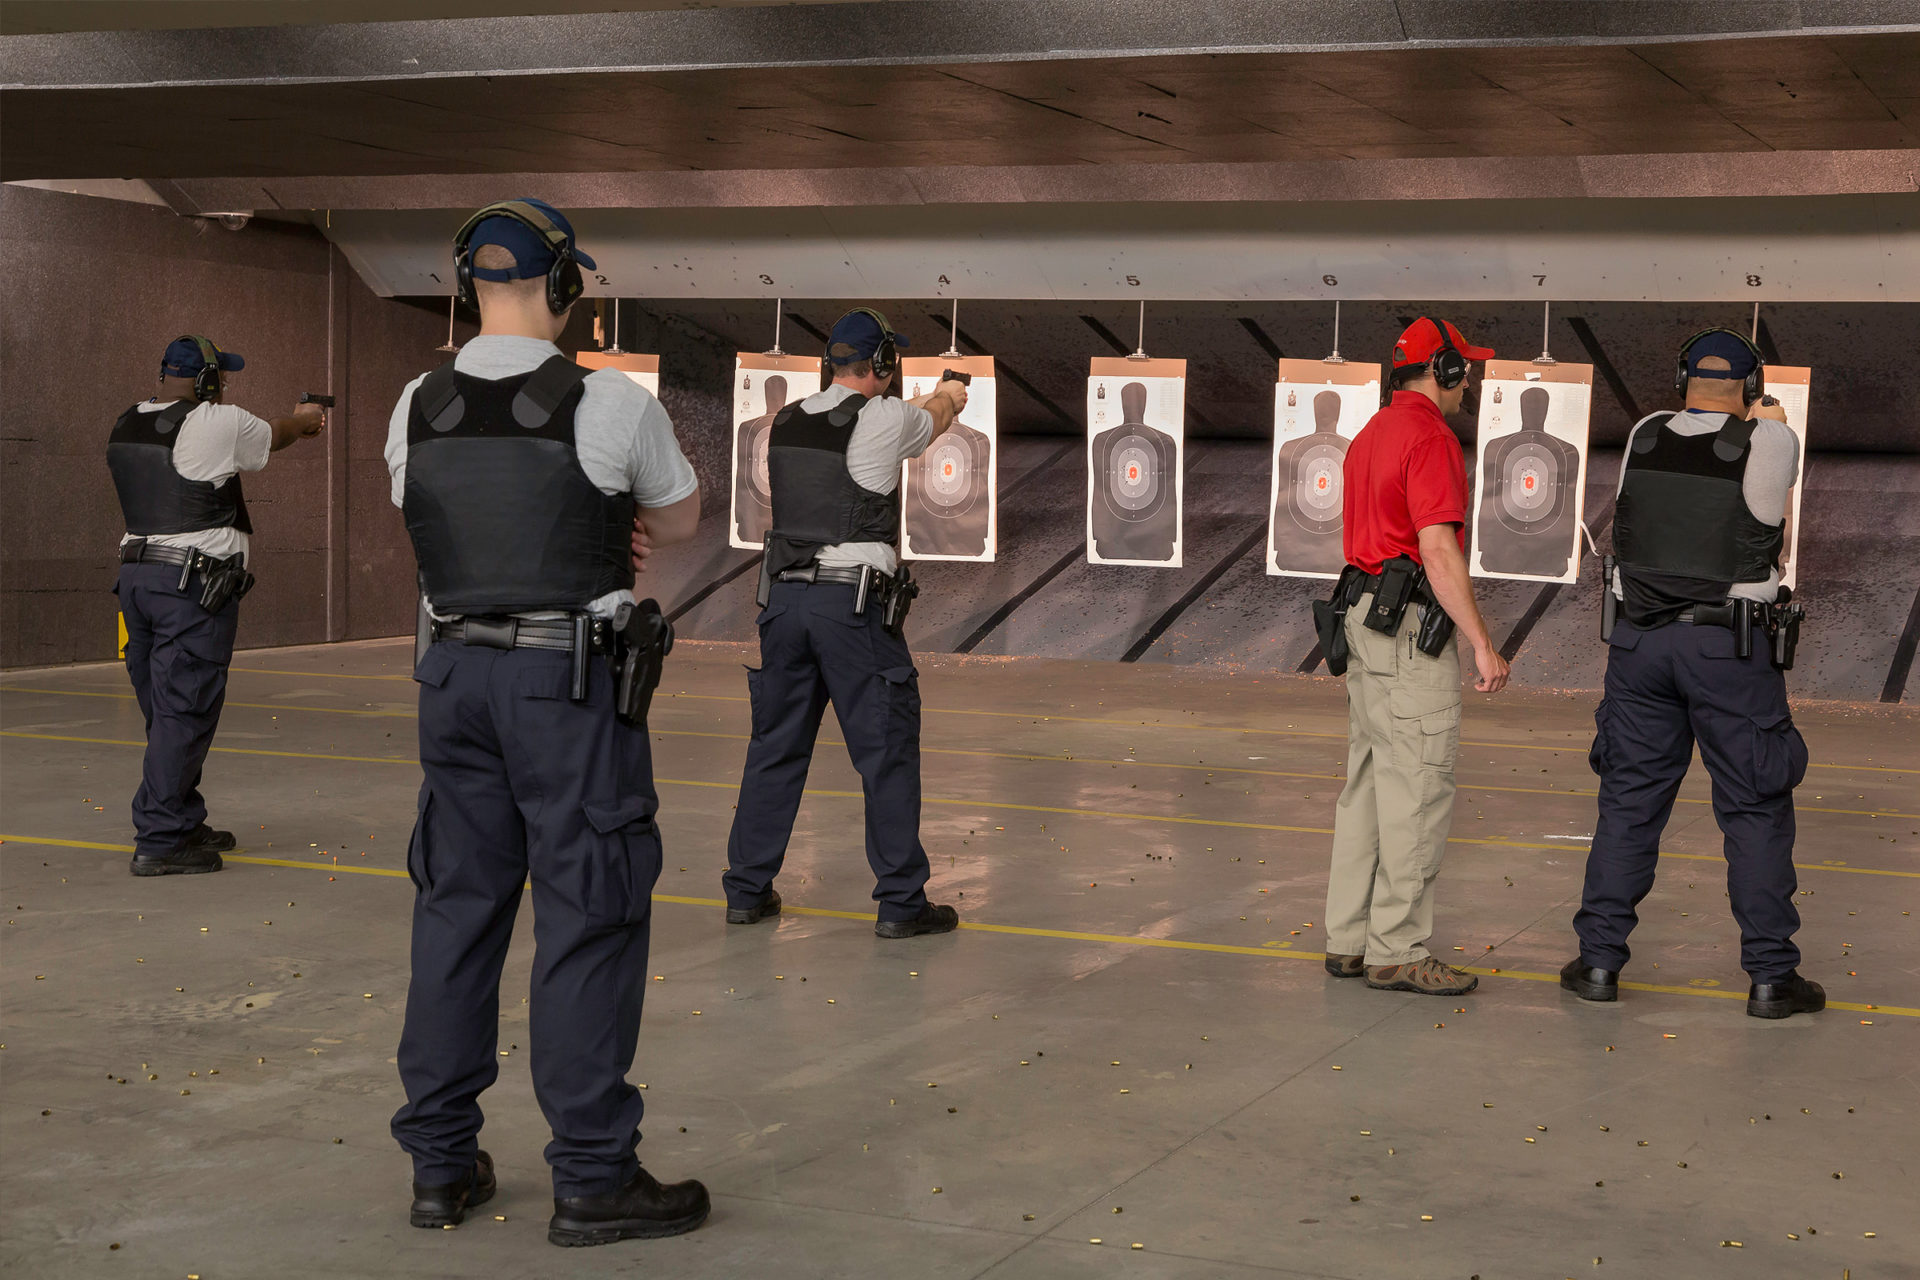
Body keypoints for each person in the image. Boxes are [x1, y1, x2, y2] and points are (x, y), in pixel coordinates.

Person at [382, 198, 710, 1245]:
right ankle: (593, 1176)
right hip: (567, 693)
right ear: (564, 285)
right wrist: (611, 530)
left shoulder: (414, 404)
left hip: (454, 682)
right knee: (588, 913)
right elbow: (681, 516)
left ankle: (441, 1166)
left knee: (456, 911)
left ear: (466, 283)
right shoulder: (605, 402)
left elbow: (443, 523)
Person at [1562, 328, 1822, 1020]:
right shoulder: (1768, 441)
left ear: (1683, 379)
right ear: (1753, 384)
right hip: (1726, 652)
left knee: (1629, 803)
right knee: (1754, 807)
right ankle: (1771, 978)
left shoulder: (1646, 434)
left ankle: (1597, 963)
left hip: (1639, 648)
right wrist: (1766, 419)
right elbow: (1773, 469)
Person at [721, 308, 970, 937]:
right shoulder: (889, 418)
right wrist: (951, 393)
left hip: (782, 603)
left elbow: (864, 427)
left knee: (775, 749)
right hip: (850, 611)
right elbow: (933, 417)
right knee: (884, 753)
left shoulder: (785, 420)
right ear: (883, 367)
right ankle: (901, 903)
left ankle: (747, 890)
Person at [1321, 317, 1510, 996]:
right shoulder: (1430, 436)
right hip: (1406, 633)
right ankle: (1397, 947)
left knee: (1369, 784)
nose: (1473, 379)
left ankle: (1349, 939)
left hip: (1362, 621)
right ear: (1444, 370)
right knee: (1418, 789)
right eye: (1467, 367)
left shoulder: (1370, 432)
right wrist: (1482, 643)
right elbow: (1436, 548)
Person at [109, 335, 325, 876]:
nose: (225, 385)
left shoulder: (128, 420)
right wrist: (305, 419)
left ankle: (180, 816)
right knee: (184, 709)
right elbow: (275, 435)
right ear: (206, 380)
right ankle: (160, 838)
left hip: (137, 579)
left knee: (167, 710)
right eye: (221, 377)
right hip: (189, 587)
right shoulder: (217, 421)